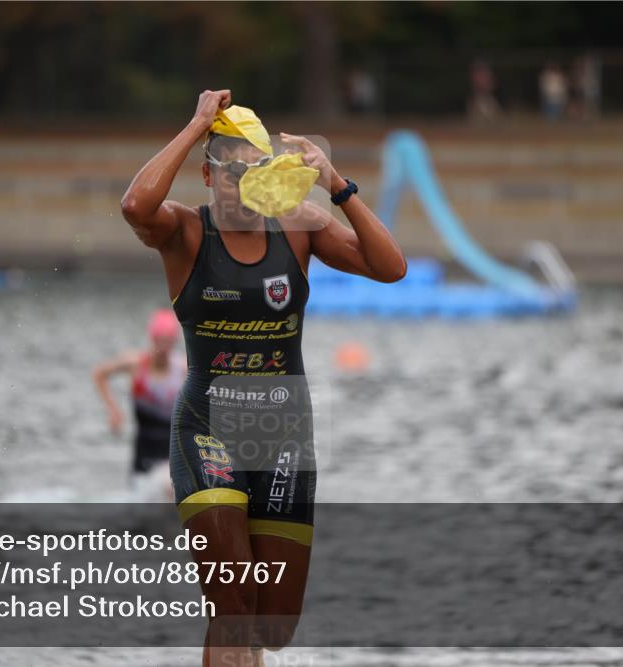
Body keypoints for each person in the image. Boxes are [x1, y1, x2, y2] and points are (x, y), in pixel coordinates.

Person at [121, 89, 406, 666]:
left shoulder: (299, 226)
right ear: (208, 174)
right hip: (207, 430)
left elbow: (390, 267)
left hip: (284, 437)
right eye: (229, 171)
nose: (241, 184)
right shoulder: (185, 232)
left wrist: (337, 185)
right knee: (233, 603)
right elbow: (135, 206)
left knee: (272, 625)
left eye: (254, 170)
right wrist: (196, 124)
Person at [92, 309, 186, 481]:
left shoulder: (183, 368)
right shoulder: (136, 363)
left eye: (169, 342)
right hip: (143, 447)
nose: (164, 348)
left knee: (167, 486)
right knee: (140, 490)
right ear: (152, 339)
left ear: (175, 342)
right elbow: (99, 373)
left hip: (172, 447)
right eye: (160, 341)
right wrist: (113, 411)